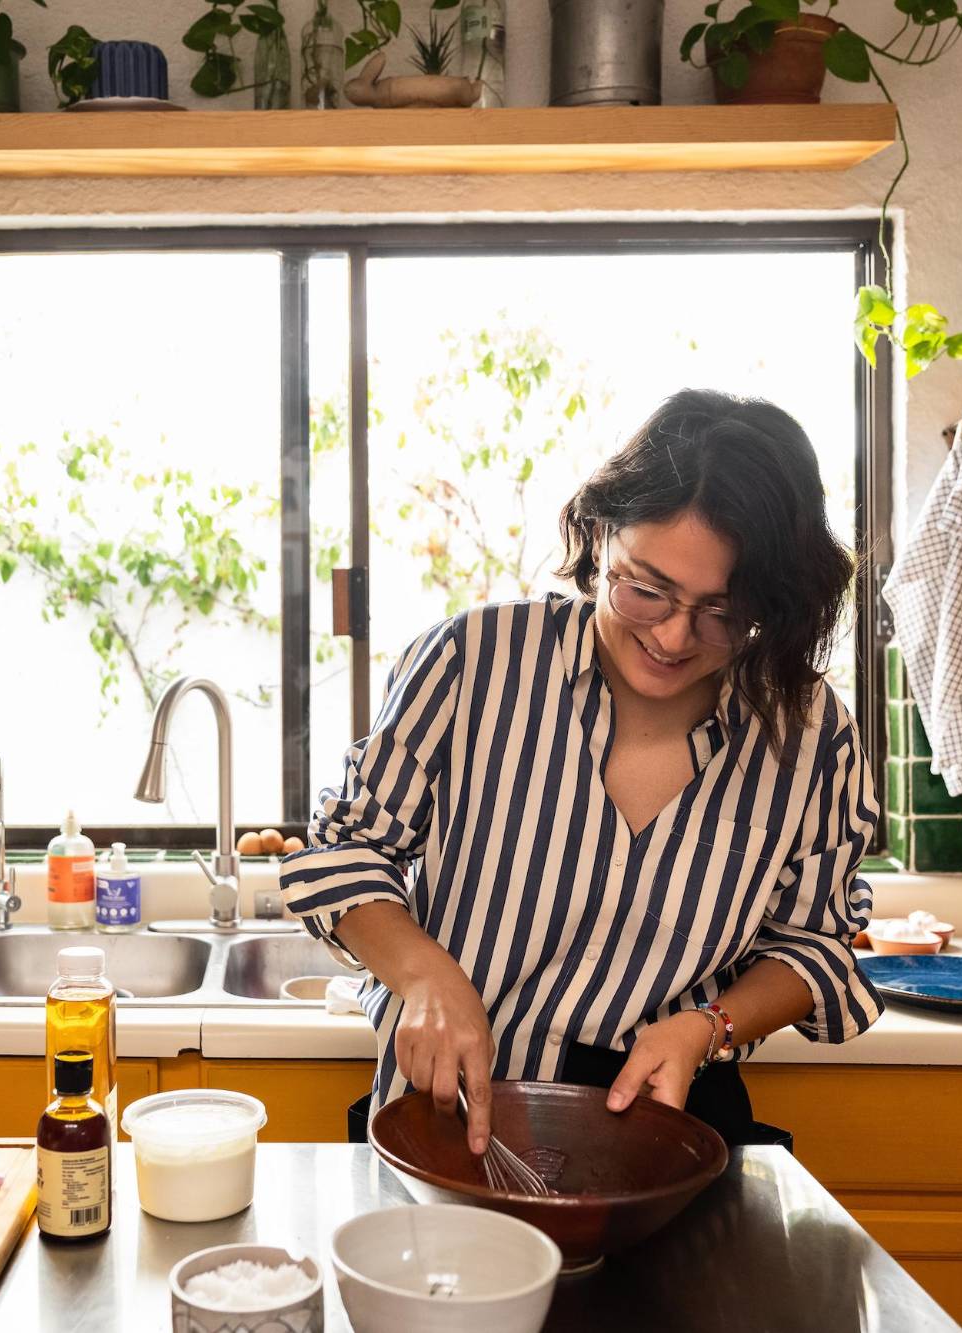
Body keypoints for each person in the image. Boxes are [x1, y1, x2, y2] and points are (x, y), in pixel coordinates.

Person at [281, 389, 883, 1153]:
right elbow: (346, 850)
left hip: (664, 1143)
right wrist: (425, 975)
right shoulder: (474, 662)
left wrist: (710, 1026)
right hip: (449, 1127)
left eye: (721, 613)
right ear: (599, 536)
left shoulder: (810, 735)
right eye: (645, 588)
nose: (671, 635)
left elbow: (816, 944)